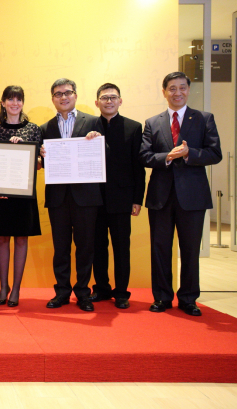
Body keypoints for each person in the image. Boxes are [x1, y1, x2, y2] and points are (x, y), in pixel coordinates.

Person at [139, 71, 222, 316]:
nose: (177, 93)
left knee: (190, 249)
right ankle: (162, 297)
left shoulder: (204, 119)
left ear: (188, 90)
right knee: (160, 248)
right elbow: (144, 156)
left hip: (193, 197)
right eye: (172, 88)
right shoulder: (153, 122)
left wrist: (189, 154)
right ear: (164, 92)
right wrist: (169, 157)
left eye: (182, 88)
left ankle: (188, 298)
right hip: (161, 197)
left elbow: (214, 154)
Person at [40, 78, 102, 312]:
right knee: (61, 247)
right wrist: (42, 155)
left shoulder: (94, 121)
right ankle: (62, 292)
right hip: (58, 198)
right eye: (58, 94)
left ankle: (84, 293)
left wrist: (97, 143)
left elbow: (104, 154)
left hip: (86, 197)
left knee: (85, 247)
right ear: (53, 99)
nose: (63, 97)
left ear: (75, 95)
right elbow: (44, 163)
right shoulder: (45, 128)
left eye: (67, 92)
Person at [85, 83, 145, 310]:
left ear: (120, 101)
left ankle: (121, 292)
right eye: (104, 98)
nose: (108, 101)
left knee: (121, 247)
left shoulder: (133, 127)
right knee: (97, 246)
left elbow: (138, 167)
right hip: (93, 198)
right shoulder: (89, 126)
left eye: (113, 97)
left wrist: (137, 199)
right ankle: (101, 288)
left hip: (122, 198)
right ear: (96, 102)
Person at [0, 86, 42, 307]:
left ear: (23, 103)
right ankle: (3, 286)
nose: (15, 103)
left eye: (19, 99)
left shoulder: (34, 129)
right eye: (10, 99)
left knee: (22, 239)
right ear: (3, 103)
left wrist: (26, 149)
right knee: (2, 238)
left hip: (23, 195)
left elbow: (39, 165)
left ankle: (16, 288)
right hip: (0, 195)